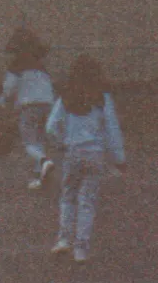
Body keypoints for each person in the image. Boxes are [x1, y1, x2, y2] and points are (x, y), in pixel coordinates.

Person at [45, 55, 126, 263]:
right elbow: (112, 129)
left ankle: (64, 239)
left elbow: (51, 127)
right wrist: (118, 158)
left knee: (68, 195)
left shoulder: (66, 98)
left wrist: (61, 143)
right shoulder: (103, 99)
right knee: (87, 201)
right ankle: (81, 248)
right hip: (96, 154)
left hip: (72, 152)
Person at [0, 27, 56, 189]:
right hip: (48, 105)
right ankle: (39, 176)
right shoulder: (41, 68)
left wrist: (2, 99)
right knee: (39, 139)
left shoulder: (17, 65)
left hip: (29, 107)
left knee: (28, 142)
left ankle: (44, 161)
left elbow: (9, 87)